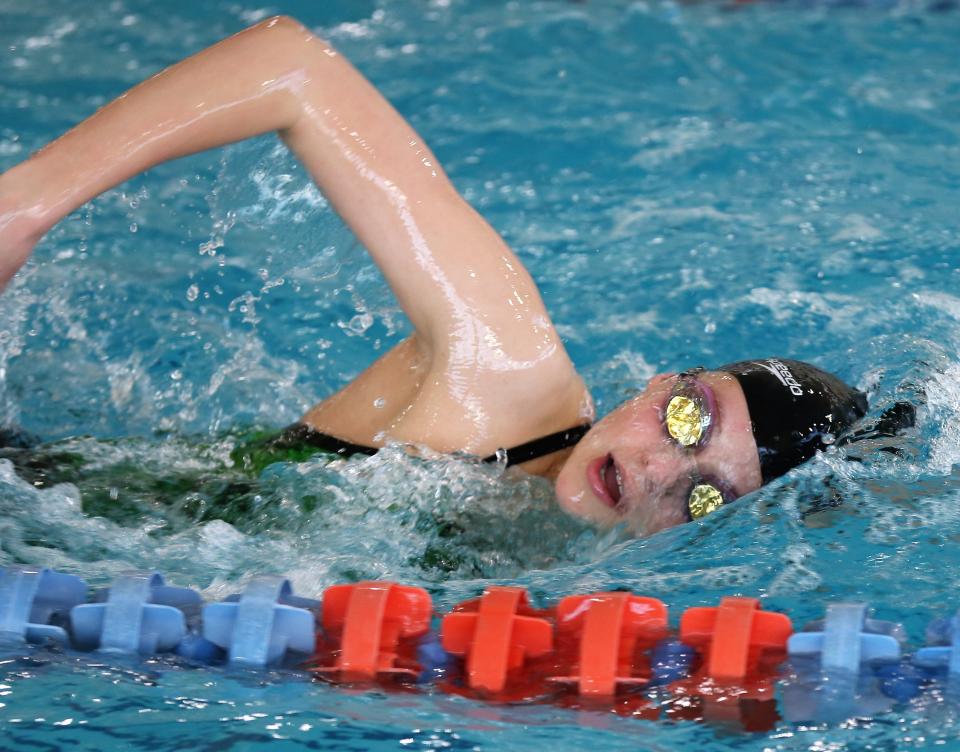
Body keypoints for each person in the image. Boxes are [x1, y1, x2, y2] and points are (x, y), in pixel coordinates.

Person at [0, 16, 869, 536]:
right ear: (663, 383)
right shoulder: (505, 373)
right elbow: (289, 65)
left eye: (707, 498)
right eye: (688, 419)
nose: (657, 472)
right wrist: (25, 206)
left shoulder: (584, 587)